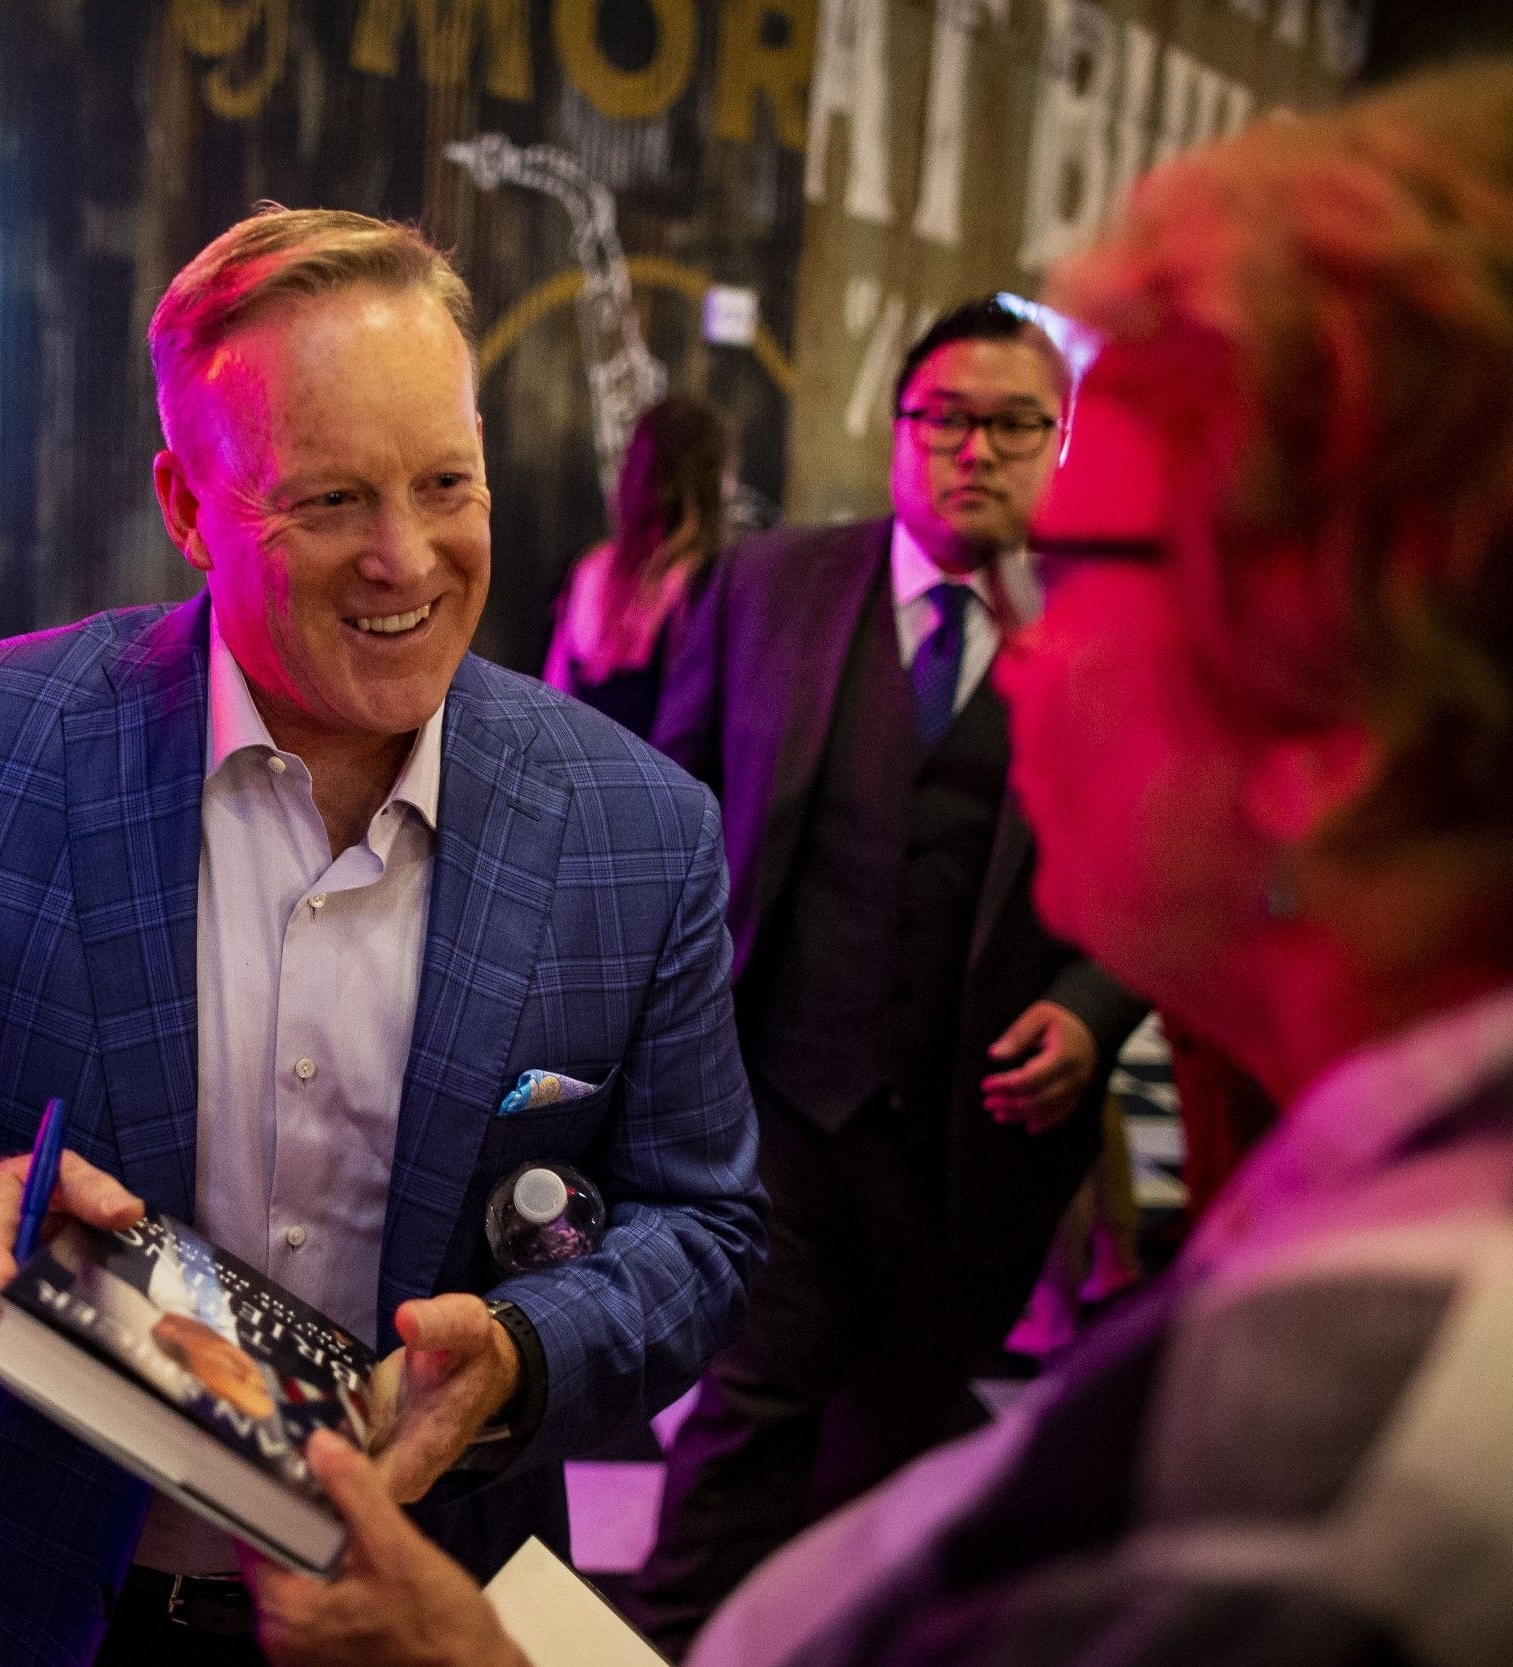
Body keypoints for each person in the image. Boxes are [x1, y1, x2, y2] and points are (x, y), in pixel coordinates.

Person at [240, 58, 1513, 1667]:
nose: (1035, 646)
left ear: (1333, 707)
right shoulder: (1358, 1242)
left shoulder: (1320, 1446)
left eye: (1088, 561)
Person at [0, 206, 766, 1666]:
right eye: (326, 501)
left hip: (410, 1606)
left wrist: (517, 1355)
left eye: (445, 483)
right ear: (188, 508)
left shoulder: (641, 828)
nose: (407, 559)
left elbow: (701, 1223)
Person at [627, 294, 1148, 1653]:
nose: (974, 448)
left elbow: (1163, 864)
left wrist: (1093, 1011)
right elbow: (673, 806)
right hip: (779, 1106)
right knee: (743, 1423)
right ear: (901, 428)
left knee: (891, 1461)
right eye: (945, 418)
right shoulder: (767, 584)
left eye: (1013, 422)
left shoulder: (1113, 635)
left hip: (983, 1137)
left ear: (1060, 441)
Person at [542, 393, 731, 738]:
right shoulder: (709, 586)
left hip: (580, 783)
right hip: (664, 787)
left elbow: (550, 705)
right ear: (713, 485)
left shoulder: (587, 571)